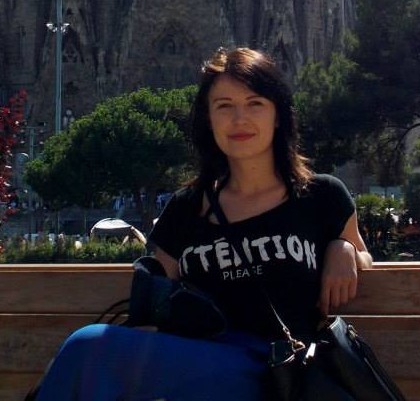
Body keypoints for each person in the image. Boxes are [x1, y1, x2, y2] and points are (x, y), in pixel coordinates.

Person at [34, 47, 372, 401]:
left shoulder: (321, 195)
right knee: (89, 351)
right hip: (202, 363)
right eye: (224, 106)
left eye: (255, 103)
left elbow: (363, 257)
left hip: (280, 371)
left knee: (88, 347)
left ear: (278, 116)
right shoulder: (187, 208)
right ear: (209, 120)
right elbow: (155, 292)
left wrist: (344, 247)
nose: (239, 119)